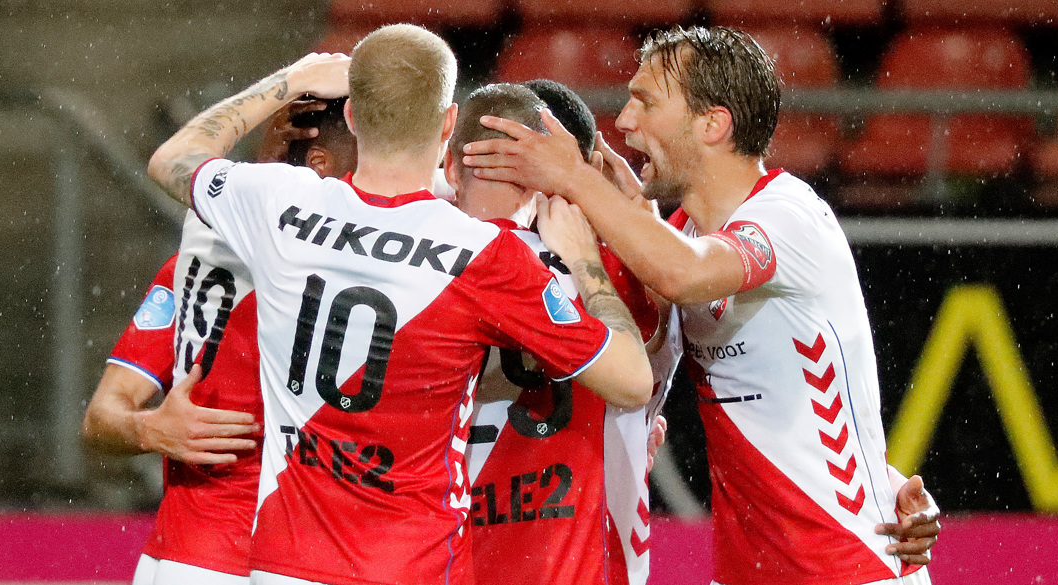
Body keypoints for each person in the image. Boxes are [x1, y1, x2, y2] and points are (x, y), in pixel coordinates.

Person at [145, 24, 652, 585]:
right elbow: (632, 381)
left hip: (284, 560)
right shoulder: (485, 256)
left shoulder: (280, 204)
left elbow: (174, 158)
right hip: (406, 563)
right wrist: (585, 262)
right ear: (447, 124)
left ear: (353, 117)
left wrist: (289, 80)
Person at [463, 26, 939, 584]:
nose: (625, 122)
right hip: (748, 572)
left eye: (646, 102)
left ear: (713, 124)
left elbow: (682, 273)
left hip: (847, 568)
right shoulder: (682, 230)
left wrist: (574, 177)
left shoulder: (787, 216)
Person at [82, 98, 357, 585]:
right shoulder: (195, 270)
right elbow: (100, 419)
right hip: (207, 558)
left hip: (297, 558)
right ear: (319, 167)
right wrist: (149, 429)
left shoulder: (371, 276)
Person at [448, 83, 670, 585]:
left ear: (451, 166)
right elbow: (660, 356)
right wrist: (635, 218)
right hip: (582, 562)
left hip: (447, 556)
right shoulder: (614, 269)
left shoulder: (414, 265)